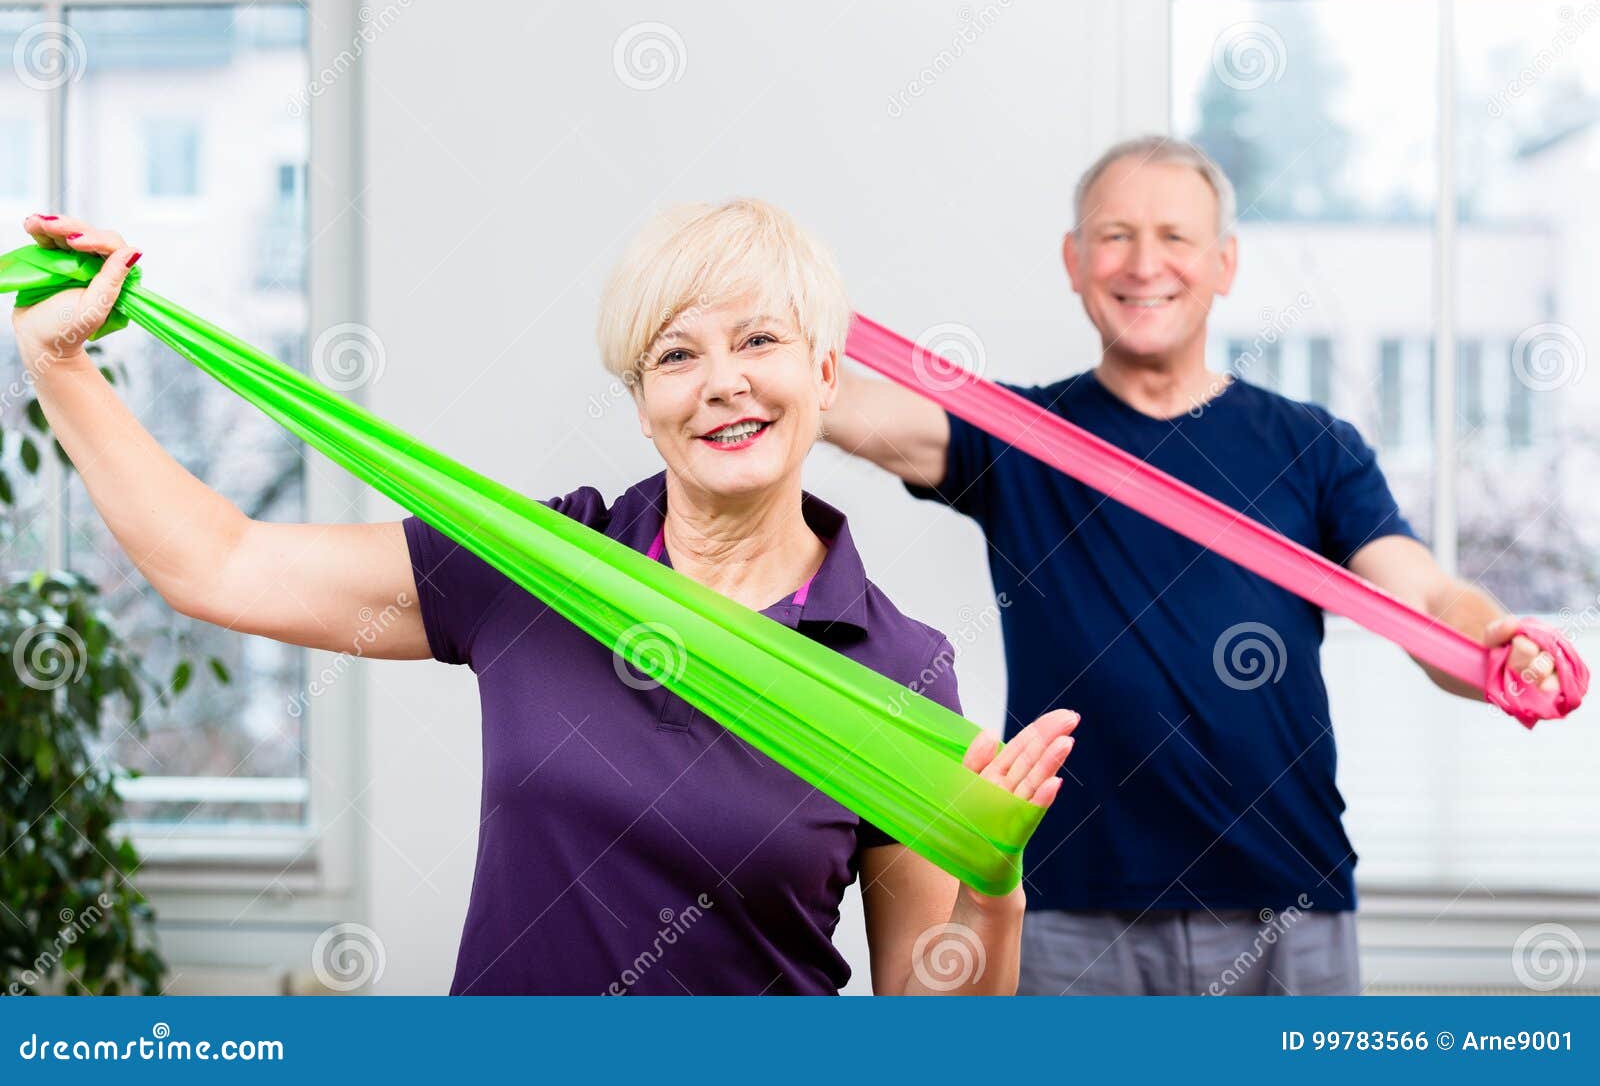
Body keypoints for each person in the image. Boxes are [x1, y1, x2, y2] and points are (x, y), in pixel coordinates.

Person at [12, 199, 1077, 995]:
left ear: (827, 375)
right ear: (641, 403)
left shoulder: (901, 666)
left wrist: (994, 891)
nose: (722, 382)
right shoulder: (538, 564)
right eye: (676, 355)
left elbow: (933, 1034)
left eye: (759, 340)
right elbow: (222, 562)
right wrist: (62, 366)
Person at [821, 136, 1566, 996]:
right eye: (1115, 236)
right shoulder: (1015, 440)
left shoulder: (1311, 447)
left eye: (1175, 236)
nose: (1145, 264)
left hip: (1288, 906)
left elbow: (1427, 596)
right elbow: (841, 404)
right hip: (1067, 910)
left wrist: (1495, 649)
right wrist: (761, 333)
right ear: (1074, 260)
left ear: (1224, 263)